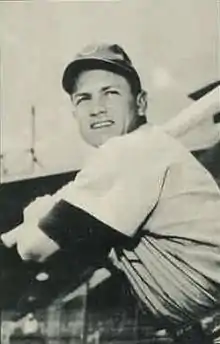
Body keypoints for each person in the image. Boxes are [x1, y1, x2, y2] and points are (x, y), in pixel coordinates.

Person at [2, 43, 220, 343]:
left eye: (111, 93)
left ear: (141, 103)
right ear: (75, 113)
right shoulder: (138, 151)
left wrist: (32, 215)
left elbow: (34, 249)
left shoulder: (129, 152)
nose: (97, 107)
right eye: (84, 98)